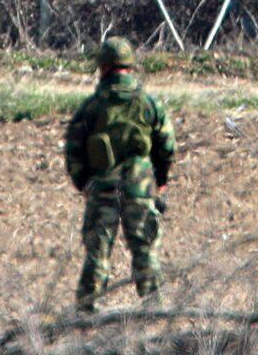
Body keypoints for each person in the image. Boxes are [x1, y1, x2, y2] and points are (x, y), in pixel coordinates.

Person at [62, 37, 176, 312]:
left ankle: (86, 312)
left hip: (102, 188)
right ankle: (155, 310)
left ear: (102, 68)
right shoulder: (149, 104)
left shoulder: (91, 107)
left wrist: (84, 183)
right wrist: (159, 181)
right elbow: (167, 146)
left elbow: (73, 149)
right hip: (141, 186)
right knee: (145, 250)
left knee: (98, 253)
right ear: (130, 67)